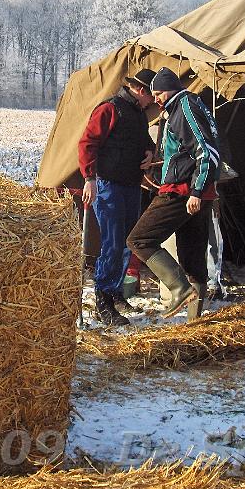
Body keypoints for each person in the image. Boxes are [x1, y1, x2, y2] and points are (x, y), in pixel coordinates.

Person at [127, 66, 221, 321]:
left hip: (183, 192)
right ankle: (194, 321)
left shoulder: (185, 106)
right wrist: (159, 164)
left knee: (139, 240)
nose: (155, 98)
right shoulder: (187, 108)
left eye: (158, 93)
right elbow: (185, 151)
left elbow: (205, 150)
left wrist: (196, 191)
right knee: (193, 259)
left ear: (170, 90)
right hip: (195, 192)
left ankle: (179, 289)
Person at [79, 69, 157, 326]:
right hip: (109, 185)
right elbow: (87, 143)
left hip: (131, 185)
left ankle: (114, 291)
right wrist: (90, 178)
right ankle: (102, 299)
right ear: (141, 91)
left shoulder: (138, 114)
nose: (154, 101)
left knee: (127, 242)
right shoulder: (109, 109)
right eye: (151, 95)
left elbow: (144, 141)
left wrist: (149, 152)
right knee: (112, 244)